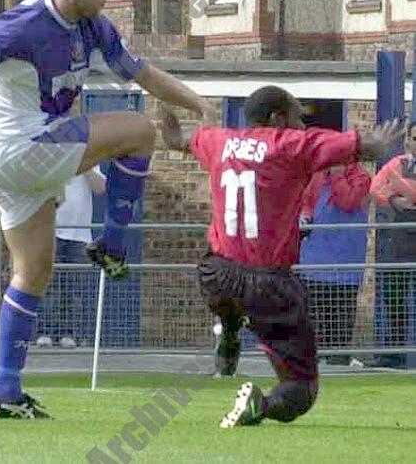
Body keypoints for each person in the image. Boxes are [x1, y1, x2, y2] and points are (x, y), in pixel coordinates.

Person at [0, 0, 211, 419]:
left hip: (16, 166)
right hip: (23, 146)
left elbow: (142, 73)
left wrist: (199, 105)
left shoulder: (93, 28)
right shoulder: (22, 23)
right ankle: (112, 244)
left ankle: (6, 390)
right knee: (140, 130)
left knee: (33, 271)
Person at [159, 86, 405, 428]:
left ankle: (229, 330)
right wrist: (378, 143)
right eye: (296, 116)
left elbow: (179, 140)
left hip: (216, 274)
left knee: (225, 280)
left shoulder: (219, 141)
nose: (301, 125)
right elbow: (360, 145)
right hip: (267, 282)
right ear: (277, 118)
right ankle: (260, 404)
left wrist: (166, 122)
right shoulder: (288, 145)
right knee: (301, 390)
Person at [299, 163, 371, 365]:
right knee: (316, 318)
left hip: (346, 264)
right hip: (315, 262)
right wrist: (304, 217)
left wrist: (337, 175)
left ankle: (339, 361)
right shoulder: (317, 175)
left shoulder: (361, 177)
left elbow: (348, 201)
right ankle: (315, 361)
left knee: (341, 318)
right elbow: (306, 202)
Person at [36, 167, 105, 349]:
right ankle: (45, 332)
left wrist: (86, 166)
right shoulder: (53, 153)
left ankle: (70, 333)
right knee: (49, 285)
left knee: (74, 287)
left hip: (79, 234)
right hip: (51, 230)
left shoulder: (90, 154)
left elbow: (101, 187)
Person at [369, 120, 416, 368]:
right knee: (395, 301)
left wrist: (399, 187)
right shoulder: (397, 164)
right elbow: (375, 187)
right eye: (415, 139)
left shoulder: (396, 171)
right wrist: (395, 197)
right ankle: (394, 356)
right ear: (407, 140)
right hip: (399, 245)